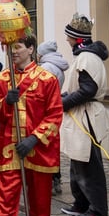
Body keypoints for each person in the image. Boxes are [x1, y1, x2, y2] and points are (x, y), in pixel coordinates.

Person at [0, 35, 63, 216]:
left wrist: (34, 138)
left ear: (31, 49)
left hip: (38, 150)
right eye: (9, 48)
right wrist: (5, 103)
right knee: (3, 200)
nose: (13, 51)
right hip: (9, 149)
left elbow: (55, 114)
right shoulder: (1, 79)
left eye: (17, 47)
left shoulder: (47, 79)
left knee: (39, 202)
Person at [59, 13, 109, 216]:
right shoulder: (84, 56)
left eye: (69, 37)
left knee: (89, 165)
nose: (67, 40)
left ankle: (97, 211)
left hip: (86, 116)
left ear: (77, 38)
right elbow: (79, 88)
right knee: (78, 161)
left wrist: (64, 103)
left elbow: (88, 90)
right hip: (82, 114)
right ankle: (81, 203)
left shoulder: (87, 58)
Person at [36, 39, 70, 194]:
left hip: (44, 110)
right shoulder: (57, 65)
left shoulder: (46, 68)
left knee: (45, 146)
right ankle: (56, 178)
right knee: (52, 146)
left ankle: (49, 180)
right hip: (53, 107)